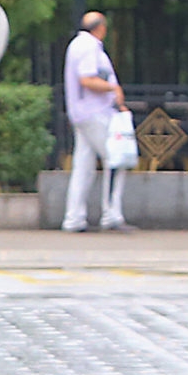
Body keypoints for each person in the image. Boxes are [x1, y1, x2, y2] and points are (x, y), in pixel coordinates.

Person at [62, 12, 129, 232]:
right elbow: (87, 79)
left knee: (83, 166)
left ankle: (74, 218)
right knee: (116, 159)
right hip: (95, 113)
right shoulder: (89, 47)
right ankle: (111, 215)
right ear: (101, 28)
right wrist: (113, 88)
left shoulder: (78, 45)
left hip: (82, 114)